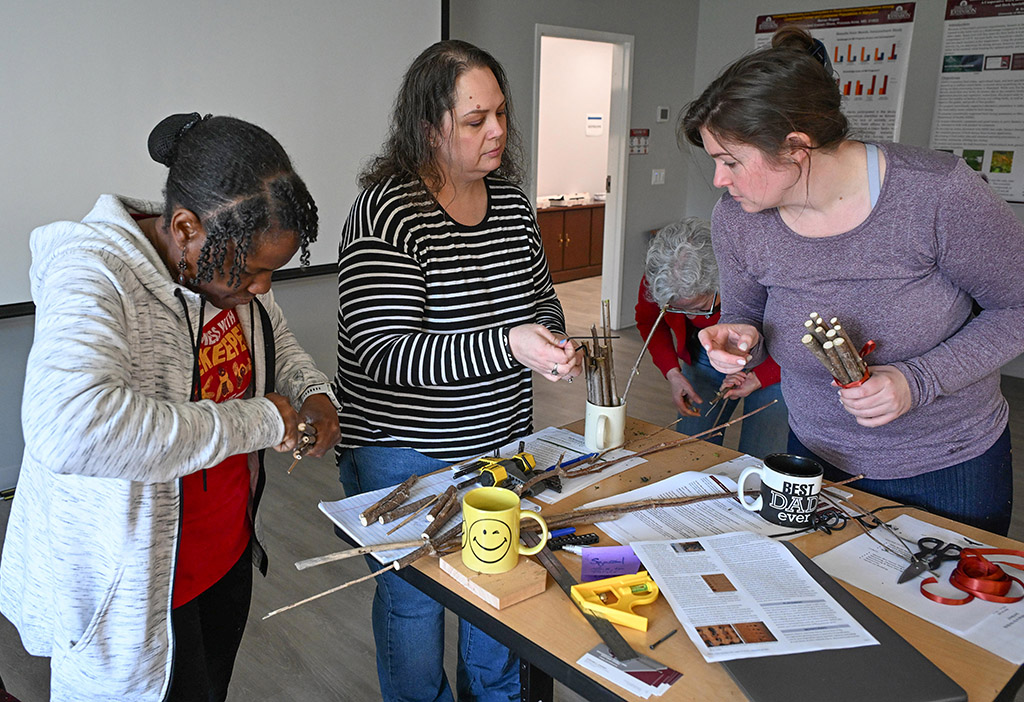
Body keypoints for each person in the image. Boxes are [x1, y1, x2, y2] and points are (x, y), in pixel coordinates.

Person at [0, 113, 341, 702]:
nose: (262, 287)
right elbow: (71, 427)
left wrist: (312, 392)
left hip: (223, 558)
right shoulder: (92, 269)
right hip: (128, 592)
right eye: (254, 270)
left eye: (271, 272)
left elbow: (274, 339)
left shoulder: (222, 264)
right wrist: (259, 419)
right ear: (185, 228)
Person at [680, 26, 1024, 535]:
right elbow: (744, 315)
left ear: (796, 147)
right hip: (814, 453)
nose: (719, 180)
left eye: (730, 162)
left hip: (949, 463)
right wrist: (737, 339)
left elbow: (1016, 307)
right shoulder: (738, 217)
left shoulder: (934, 194)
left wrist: (917, 381)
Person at [335, 40, 579, 702]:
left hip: (498, 446)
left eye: (500, 113)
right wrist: (508, 344)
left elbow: (542, 301)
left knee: (493, 589)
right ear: (428, 127)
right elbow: (384, 353)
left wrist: (554, 340)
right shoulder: (388, 211)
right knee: (416, 607)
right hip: (401, 454)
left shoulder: (507, 202)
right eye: (475, 120)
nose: (497, 131)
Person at [636, 217, 787, 457]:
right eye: (676, 309)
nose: (688, 316)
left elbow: (795, 336)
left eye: (698, 309)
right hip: (704, 357)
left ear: (724, 282)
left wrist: (761, 377)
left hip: (776, 357)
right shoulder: (665, 276)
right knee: (691, 449)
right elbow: (649, 322)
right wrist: (673, 373)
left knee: (761, 455)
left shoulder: (759, 272)